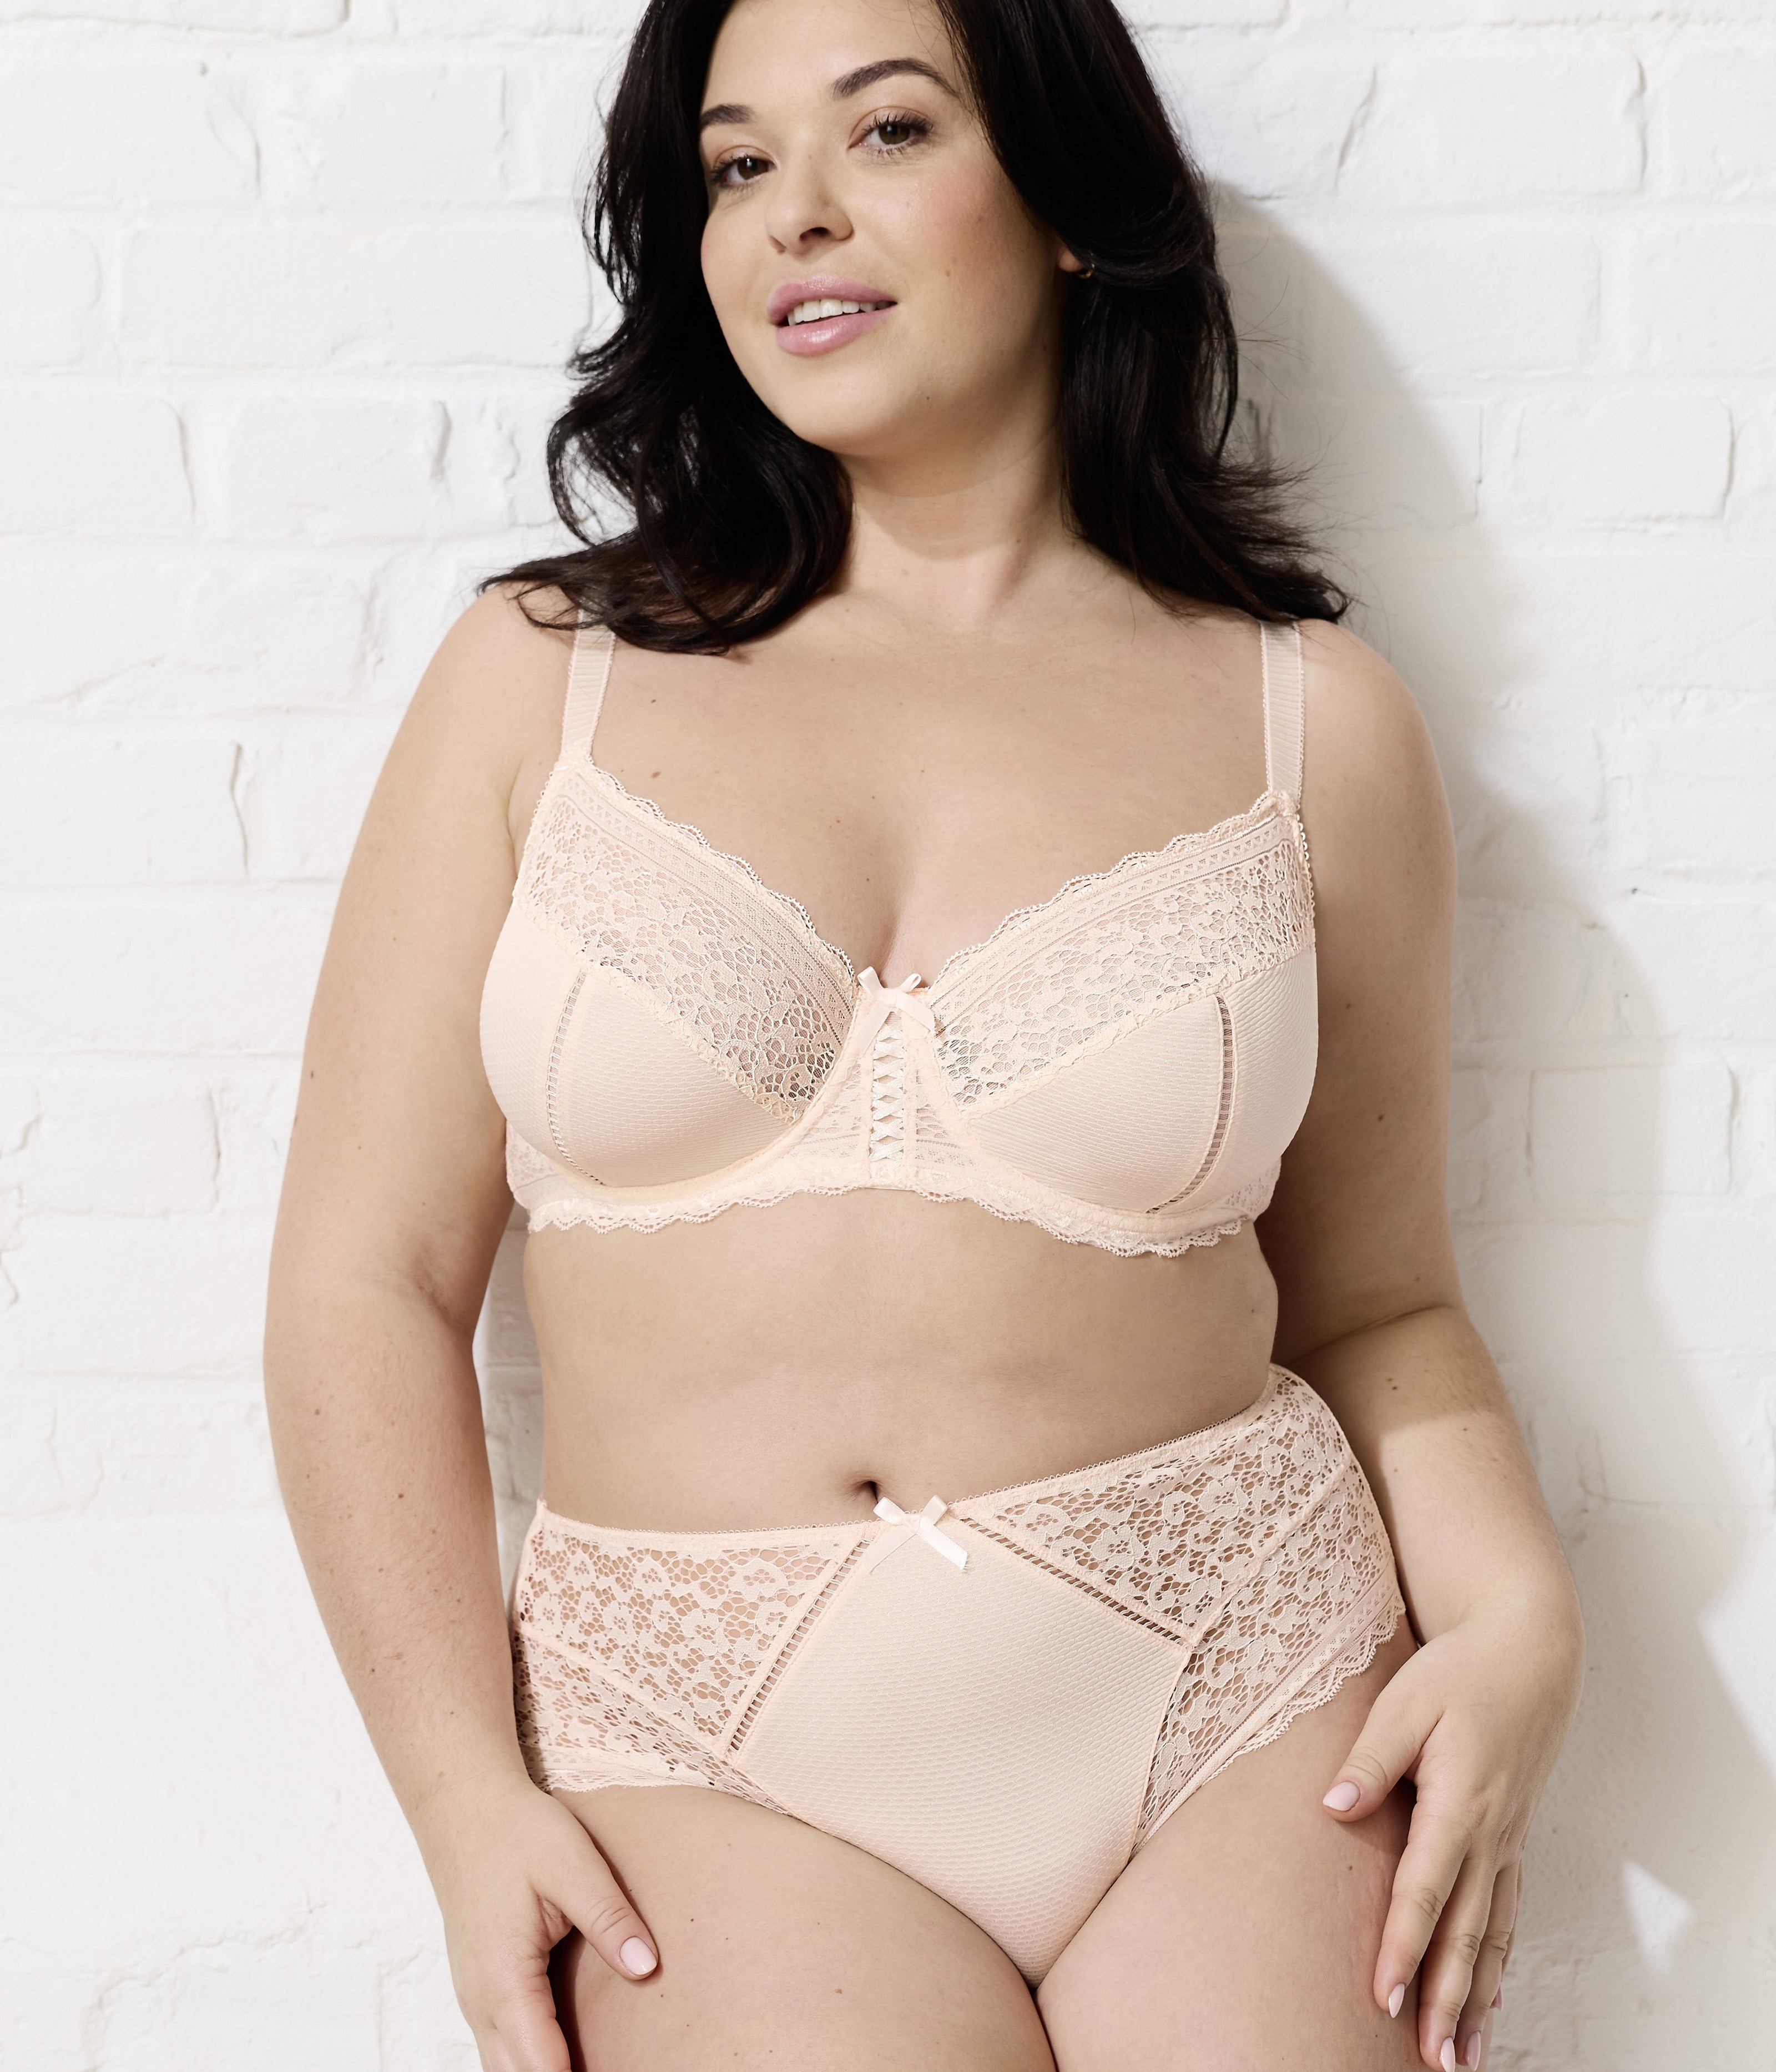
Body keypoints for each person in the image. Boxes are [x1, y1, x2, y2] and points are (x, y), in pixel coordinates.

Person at [264, 1, 1585, 2067]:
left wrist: (1517, 1620)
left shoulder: (1313, 723)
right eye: (736, 164)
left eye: (886, 131)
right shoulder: (541, 681)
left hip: (1244, 1697)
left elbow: (1384, 1299)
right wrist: (457, 1795)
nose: (795, 214)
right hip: (697, 1749)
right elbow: (366, 1281)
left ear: (1065, 198)